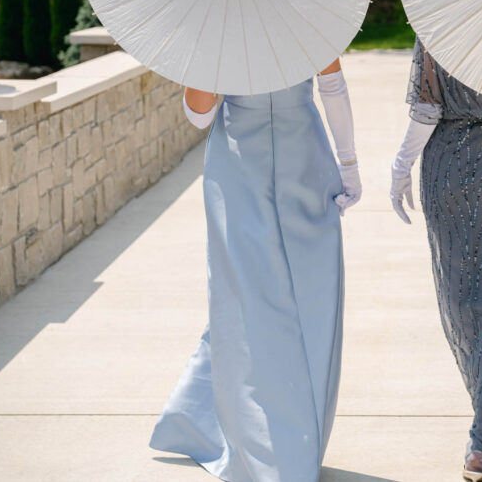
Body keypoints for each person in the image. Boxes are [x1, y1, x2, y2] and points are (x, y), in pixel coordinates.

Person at [150, 59, 362, 482]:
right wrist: (349, 164)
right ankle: (269, 450)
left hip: (301, 164)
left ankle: (267, 431)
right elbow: (199, 112)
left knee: (314, 295)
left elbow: (331, 81)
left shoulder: (304, 8)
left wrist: (349, 164)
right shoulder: (223, 21)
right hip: (241, 172)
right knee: (246, 300)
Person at [390, 40, 482, 482]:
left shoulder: (439, 13)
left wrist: (401, 166)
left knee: (463, 303)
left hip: (450, 165)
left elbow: (426, 108)